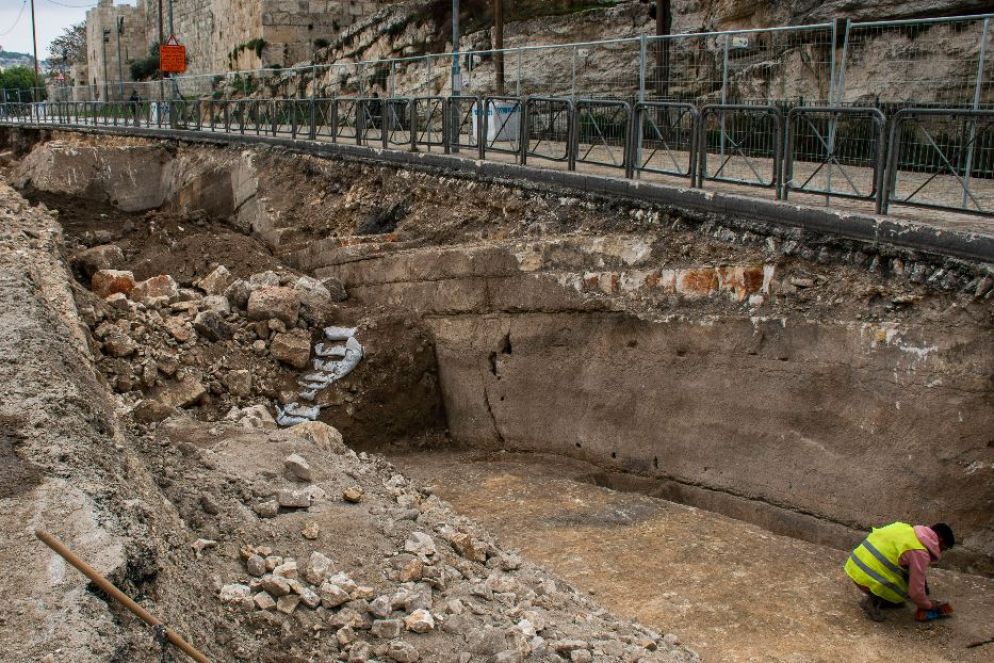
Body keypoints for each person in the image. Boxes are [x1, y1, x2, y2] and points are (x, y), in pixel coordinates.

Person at [844, 521, 955, 622]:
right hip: (866, 577)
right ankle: (874, 601)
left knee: (905, 575)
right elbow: (915, 593)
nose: (941, 552)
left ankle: (879, 596)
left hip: (854, 566)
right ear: (940, 540)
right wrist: (930, 606)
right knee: (903, 593)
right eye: (943, 549)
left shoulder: (902, 527)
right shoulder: (920, 552)